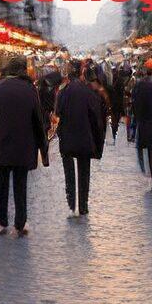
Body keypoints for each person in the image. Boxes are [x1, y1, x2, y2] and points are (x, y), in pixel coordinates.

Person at [0, 56, 49, 237]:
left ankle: (2, 219)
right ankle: (20, 222)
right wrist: (43, 152)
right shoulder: (30, 91)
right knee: (20, 186)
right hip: (23, 148)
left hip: (1, 147)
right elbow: (38, 121)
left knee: (1, 185)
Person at [55, 65, 105, 216]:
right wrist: (97, 143)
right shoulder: (88, 92)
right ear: (82, 75)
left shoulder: (63, 91)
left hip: (67, 137)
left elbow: (58, 112)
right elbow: (96, 119)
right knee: (84, 171)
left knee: (69, 171)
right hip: (85, 137)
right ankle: (83, 205)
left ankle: (71, 202)